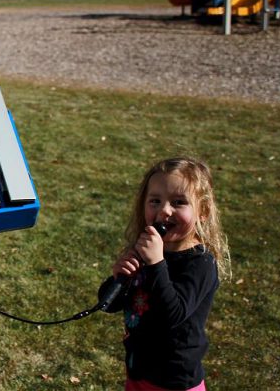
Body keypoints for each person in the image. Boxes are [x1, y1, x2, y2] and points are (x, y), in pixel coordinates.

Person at [98, 157, 230, 391]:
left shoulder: (200, 263)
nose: (164, 211)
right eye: (155, 201)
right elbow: (109, 304)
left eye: (178, 202)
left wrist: (156, 263)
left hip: (174, 381)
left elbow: (173, 315)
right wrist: (118, 277)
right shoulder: (145, 250)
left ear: (203, 211)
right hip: (139, 371)